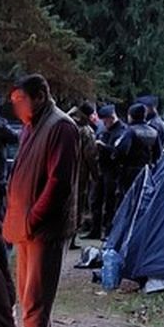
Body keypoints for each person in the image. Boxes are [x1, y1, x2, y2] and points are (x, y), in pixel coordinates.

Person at [1, 74, 80, 327]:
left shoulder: (60, 127)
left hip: (43, 229)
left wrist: (33, 219)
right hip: (25, 227)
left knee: (36, 299)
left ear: (39, 95)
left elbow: (58, 182)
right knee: (27, 297)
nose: (16, 107)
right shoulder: (32, 126)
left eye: (20, 100)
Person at [86, 103, 125, 239]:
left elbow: (118, 151)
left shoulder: (122, 131)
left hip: (112, 171)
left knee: (110, 202)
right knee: (95, 200)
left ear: (111, 118)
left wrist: (104, 147)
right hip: (100, 169)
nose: (103, 123)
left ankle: (108, 231)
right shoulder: (103, 129)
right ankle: (95, 229)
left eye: (105, 120)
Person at [115, 102, 160, 197]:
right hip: (147, 171)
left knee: (128, 198)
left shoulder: (130, 132)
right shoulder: (154, 132)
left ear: (130, 116)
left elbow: (121, 150)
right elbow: (158, 153)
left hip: (130, 171)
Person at [70, 101, 99, 248]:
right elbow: (91, 155)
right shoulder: (86, 131)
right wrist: (95, 175)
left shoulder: (64, 123)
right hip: (79, 173)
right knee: (77, 204)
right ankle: (71, 238)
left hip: (60, 171)